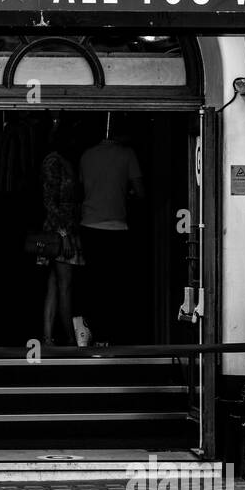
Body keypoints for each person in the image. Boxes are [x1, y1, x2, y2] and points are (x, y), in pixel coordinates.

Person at [77, 117, 144, 345]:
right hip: (117, 226)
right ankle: (112, 335)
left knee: (94, 282)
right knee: (115, 284)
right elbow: (140, 191)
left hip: (89, 225)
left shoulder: (86, 155)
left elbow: (82, 187)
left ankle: (94, 333)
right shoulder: (127, 154)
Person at [40, 116, 88, 346]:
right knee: (64, 285)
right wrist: (63, 234)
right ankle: (70, 338)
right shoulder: (53, 162)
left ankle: (48, 336)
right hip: (61, 232)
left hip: (65, 230)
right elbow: (50, 201)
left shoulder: (64, 160)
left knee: (54, 284)